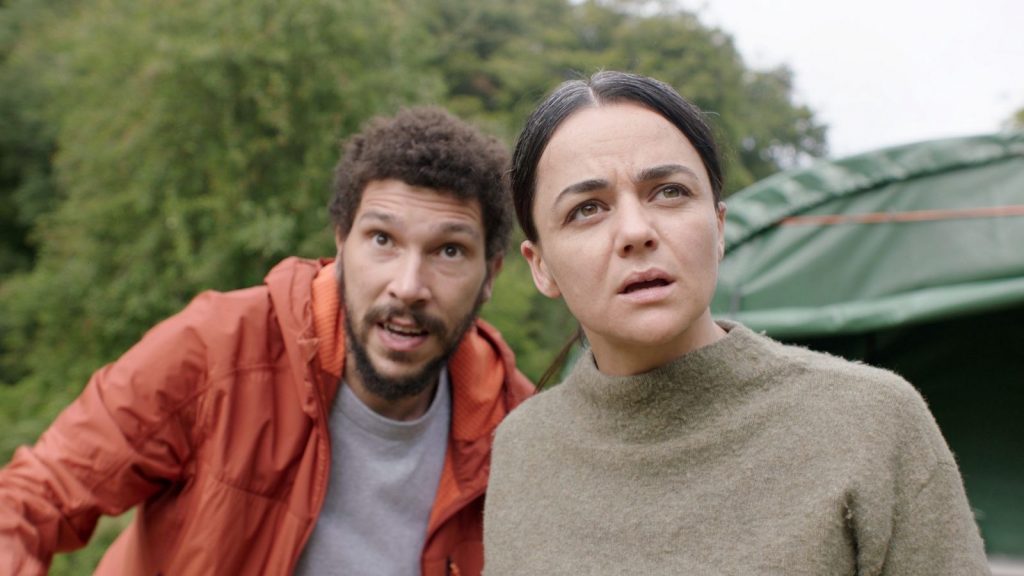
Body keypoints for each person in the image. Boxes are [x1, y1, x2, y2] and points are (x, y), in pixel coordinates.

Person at [482, 71, 989, 575]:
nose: (636, 231)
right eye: (587, 209)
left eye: (669, 192)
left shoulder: (873, 422)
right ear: (540, 266)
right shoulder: (523, 447)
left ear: (719, 227)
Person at [0, 107, 534, 575]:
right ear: (341, 245)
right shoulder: (216, 348)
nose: (409, 285)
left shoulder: (520, 437)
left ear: (489, 275)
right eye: (382, 239)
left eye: (449, 251)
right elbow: (30, 499)